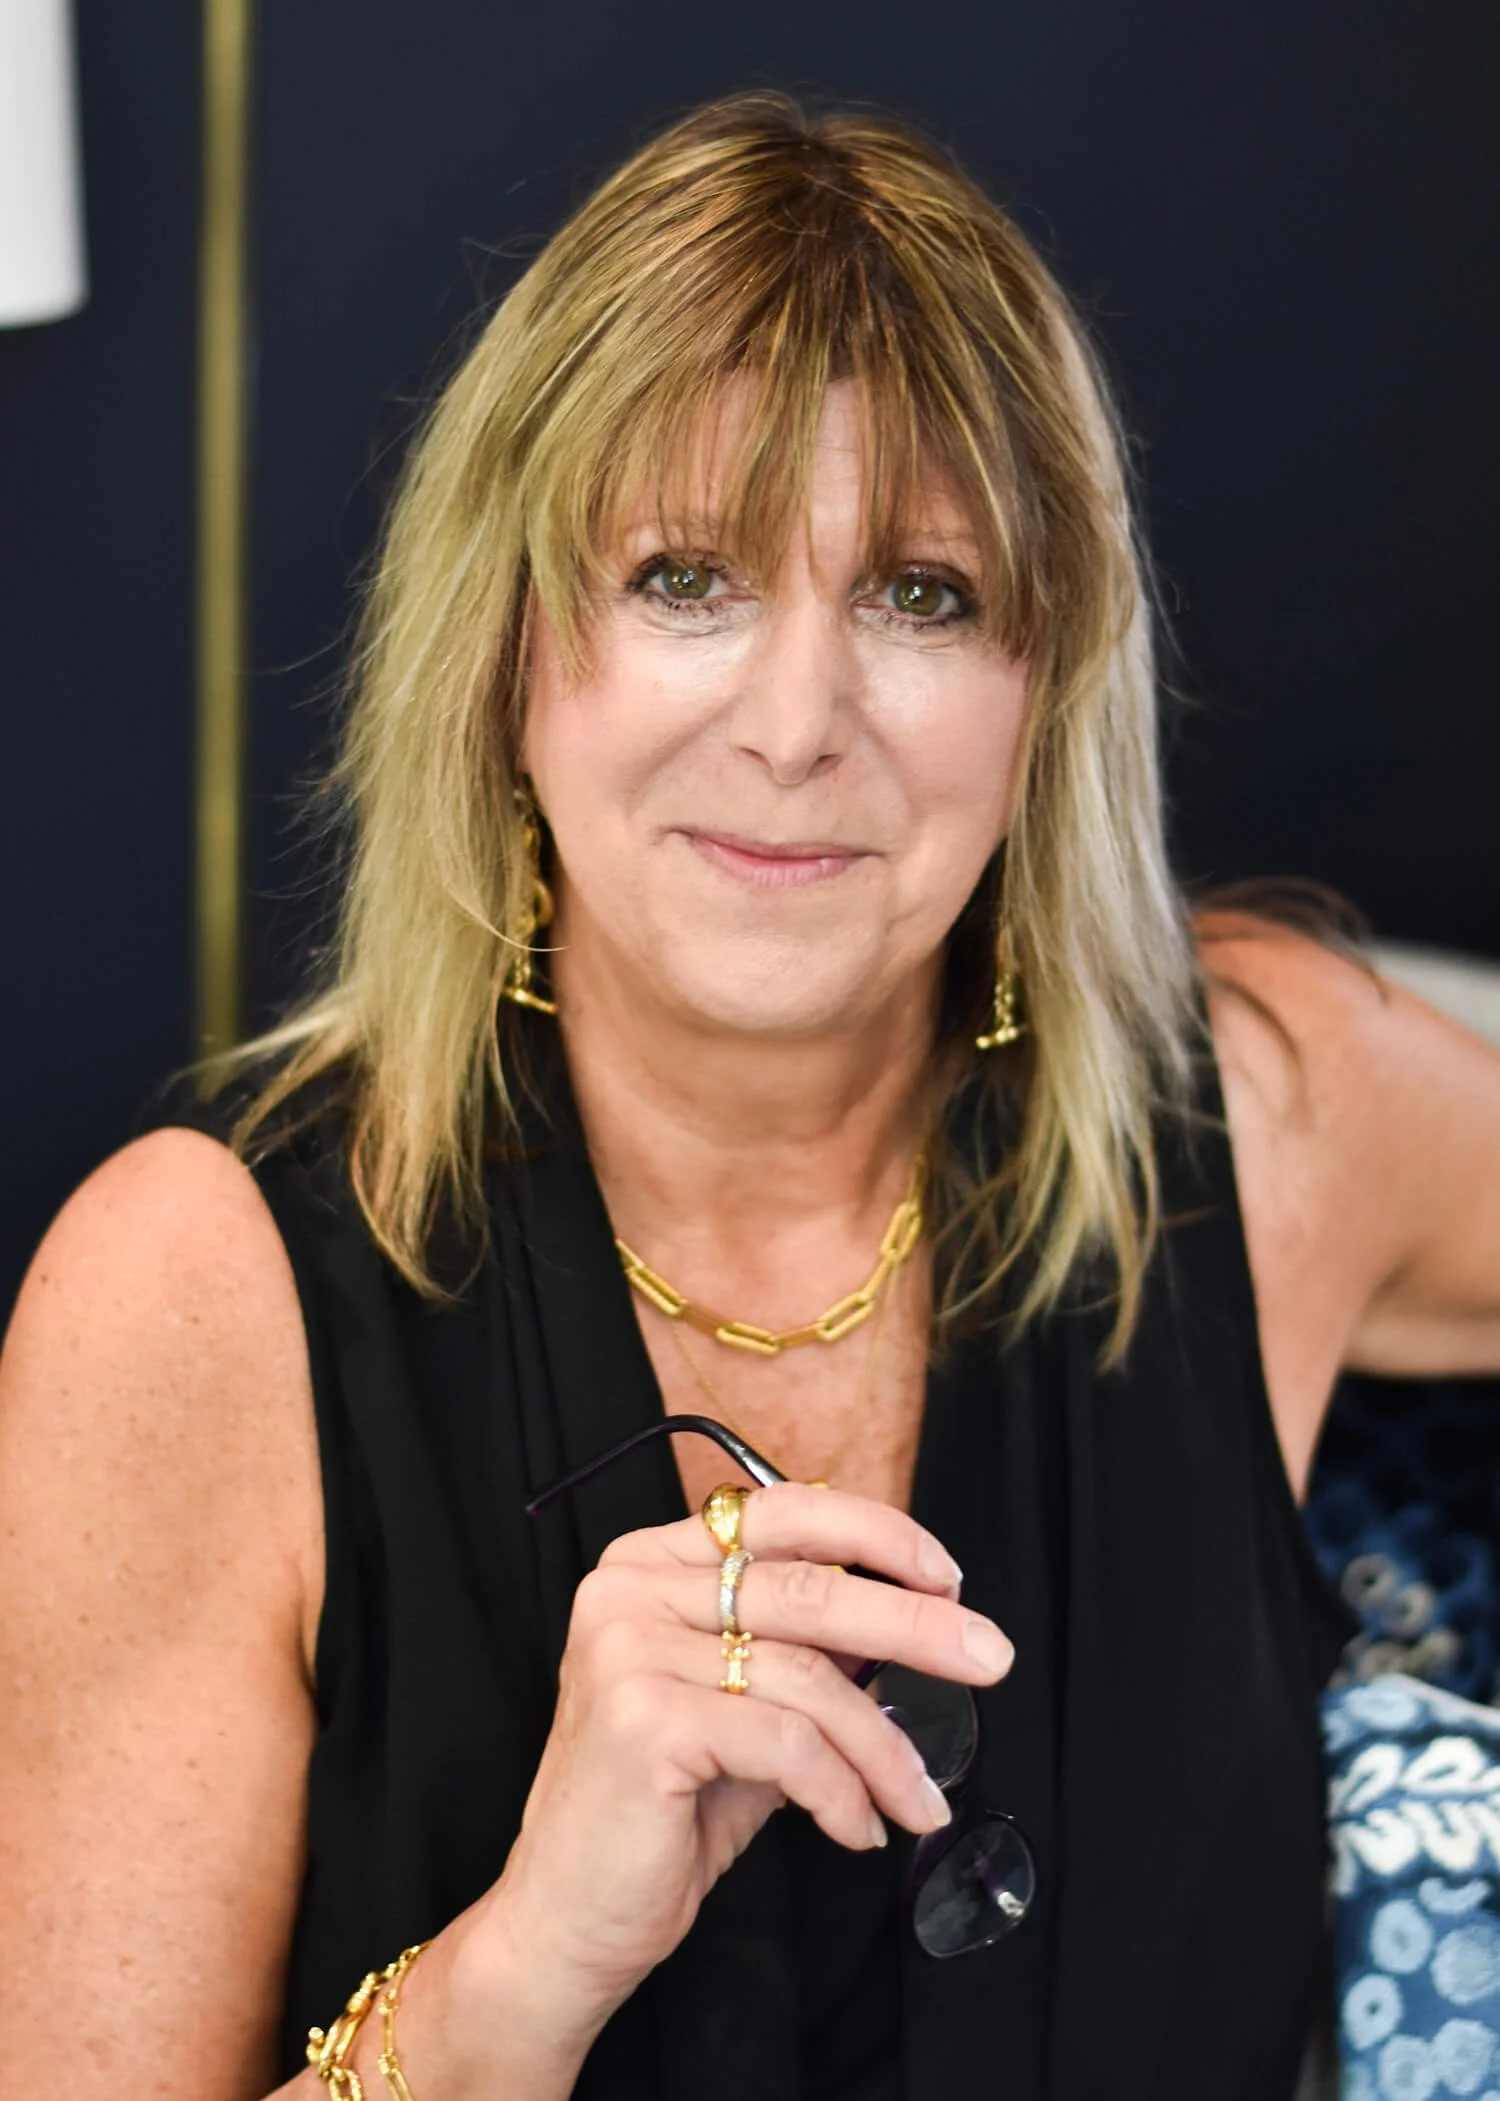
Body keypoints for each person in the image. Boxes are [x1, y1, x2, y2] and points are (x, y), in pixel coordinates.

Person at [2, 91, 1498, 2101]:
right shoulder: (193, 1301)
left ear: (1048, 684)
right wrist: (520, 1969)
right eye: (685, 577)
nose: (797, 727)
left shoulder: (1265, 1115)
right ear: (507, 651)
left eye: (922, 594)